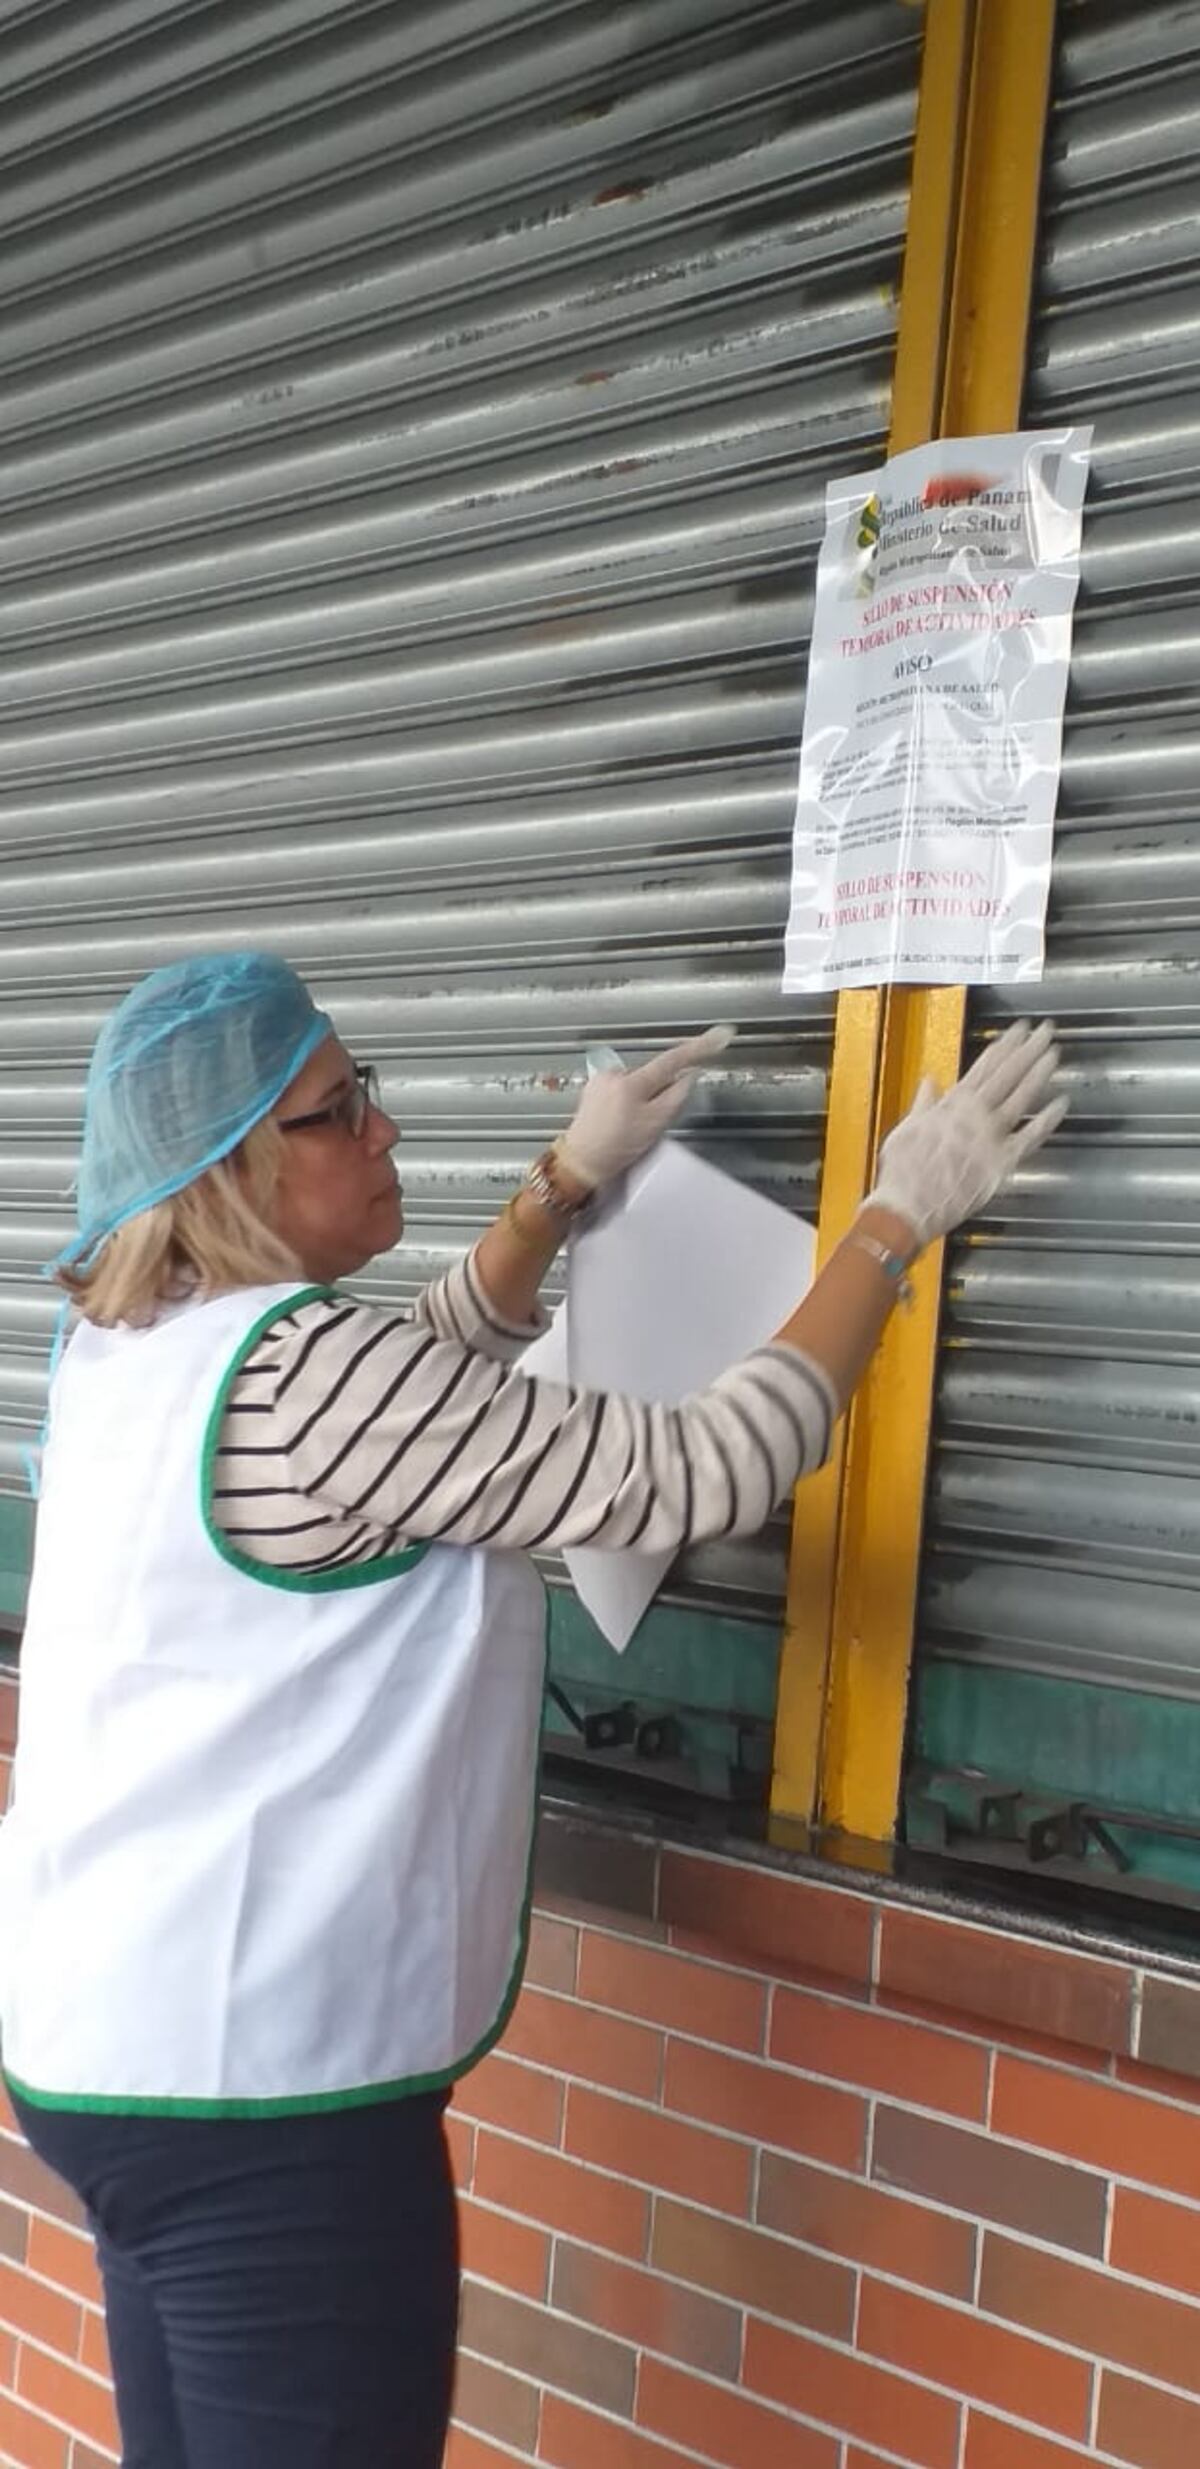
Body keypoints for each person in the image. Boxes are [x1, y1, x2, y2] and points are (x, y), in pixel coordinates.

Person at [0, 951, 1064, 2469]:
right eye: (337, 1108)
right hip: (262, 2107)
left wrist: (562, 1188)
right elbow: (704, 1467)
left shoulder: (127, 1351)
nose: (381, 1127)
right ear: (236, 1167)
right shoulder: (306, 1371)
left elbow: (406, 1399)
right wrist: (894, 1218)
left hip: (108, 2054)